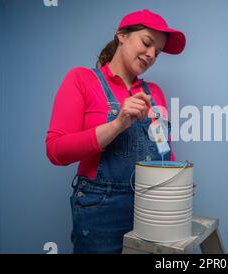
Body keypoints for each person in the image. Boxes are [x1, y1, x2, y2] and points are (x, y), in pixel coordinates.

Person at [45, 9, 186, 253]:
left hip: (151, 208)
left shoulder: (155, 93)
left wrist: (176, 191)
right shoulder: (81, 80)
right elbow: (56, 151)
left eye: (158, 52)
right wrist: (117, 125)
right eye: (147, 42)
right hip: (100, 210)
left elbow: (164, 152)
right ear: (122, 35)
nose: (151, 54)